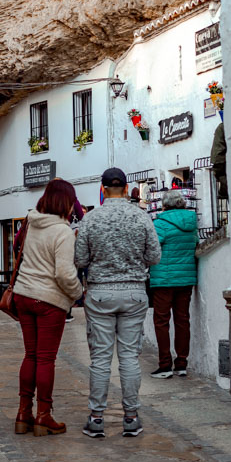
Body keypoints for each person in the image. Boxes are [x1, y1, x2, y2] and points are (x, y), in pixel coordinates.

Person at [74, 166, 161, 439]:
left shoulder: (91, 219)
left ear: (102, 189)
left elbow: (80, 260)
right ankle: (131, 417)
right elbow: (155, 256)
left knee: (100, 358)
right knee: (129, 358)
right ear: (125, 189)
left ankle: (97, 418)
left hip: (100, 293)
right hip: (134, 292)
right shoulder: (141, 217)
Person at [12, 179, 82, 437]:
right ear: (66, 203)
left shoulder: (31, 224)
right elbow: (64, 274)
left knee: (30, 355)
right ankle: (43, 415)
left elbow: (18, 250)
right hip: (49, 301)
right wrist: (77, 293)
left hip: (23, 295)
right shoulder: (63, 232)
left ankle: (23, 413)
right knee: (45, 359)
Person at [149, 188, 198, 378]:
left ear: (165, 205)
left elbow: (153, 249)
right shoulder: (191, 222)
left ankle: (164, 365)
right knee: (182, 320)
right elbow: (194, 243)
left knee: (161, 321)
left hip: (163, 279)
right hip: (185, 279)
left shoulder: (160, 223)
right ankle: (181, 363)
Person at [210, 121, 228, 201]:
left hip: (219, 160)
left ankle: (223, 193)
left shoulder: (221, 127)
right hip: (221, 161)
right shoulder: (223, 127)